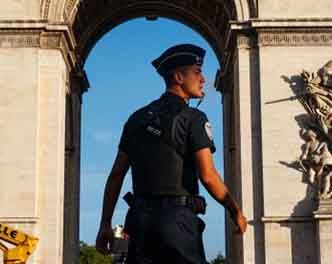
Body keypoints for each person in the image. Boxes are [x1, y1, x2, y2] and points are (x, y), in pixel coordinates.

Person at [95, 43, 247, 264]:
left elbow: (116, 174)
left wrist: (105, 224)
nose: (203, 79)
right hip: (177, 223)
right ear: (178, 77)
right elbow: (208, 175)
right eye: (197, 72)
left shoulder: (136, 119)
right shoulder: (193, 118)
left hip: (139, 223)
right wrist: (235, 210)